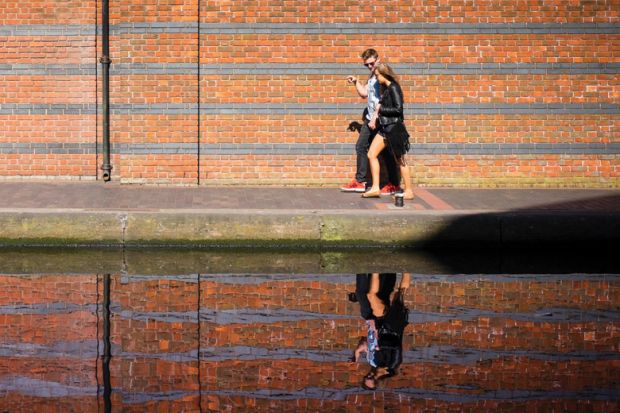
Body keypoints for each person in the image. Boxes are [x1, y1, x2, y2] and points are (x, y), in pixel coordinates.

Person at [341, 49, 401, 194]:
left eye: (371, 63)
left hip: (380, 119)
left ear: (378, 60)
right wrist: (356, 82)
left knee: (384, 151)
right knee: (363, 146)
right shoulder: (372, 76)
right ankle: (361, 182)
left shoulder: (382, 76)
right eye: (366, 65)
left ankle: (393, 184)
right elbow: (364, 93)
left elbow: (382, 100)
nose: (369, 67)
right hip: (371, 119)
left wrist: (375, 117)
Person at [362, 63, 414, 200]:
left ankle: (409, 191)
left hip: (394, 128)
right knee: (371, 154)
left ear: (384, 74)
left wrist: (380, 111)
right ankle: (375, 188)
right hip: (386, 128)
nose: (377, 78)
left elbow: (398, 110)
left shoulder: (394, 87)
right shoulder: (386, 89)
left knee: (400, 160)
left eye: (378, 75)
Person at [351, 273, 410, 391]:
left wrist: (358, 350)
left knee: (374, 295)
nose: (369, 375)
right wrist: (379, 345)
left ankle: (376, 270)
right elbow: (396, 346)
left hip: (382, 324)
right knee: (399, 293)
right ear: (378, 381)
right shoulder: (392, 366)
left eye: (366, 377)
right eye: (371, 378)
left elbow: (369, 341)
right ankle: (405, 268)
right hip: (393, 325)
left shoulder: (374, 362)